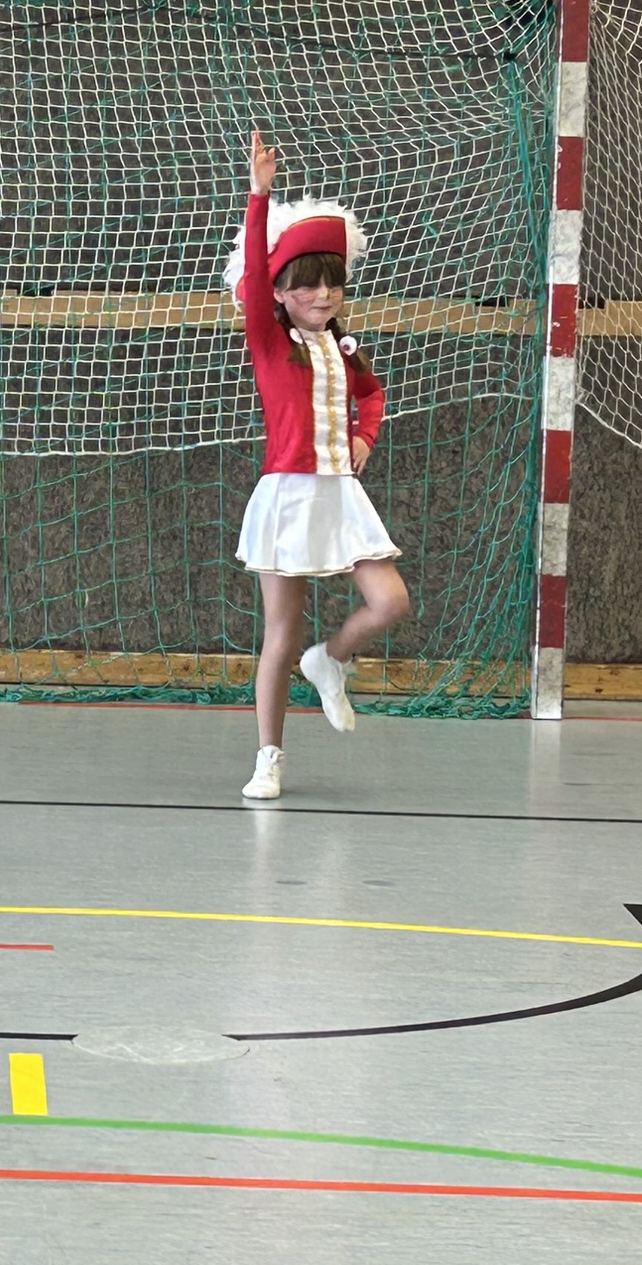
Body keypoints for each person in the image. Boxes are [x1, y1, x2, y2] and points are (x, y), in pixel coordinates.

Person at [228, 131, 411, 800]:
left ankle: (330, 660)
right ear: (280, 293)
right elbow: (254, 276)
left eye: (333, 282)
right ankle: (268, 756)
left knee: (390, 601)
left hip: (340, 494)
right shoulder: (269, 340)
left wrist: (366, 435)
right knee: (280, 634)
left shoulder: (343, 348)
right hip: (287, 496)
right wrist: (259, 197)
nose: (324, 294)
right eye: (307, 284)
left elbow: (372, 394)